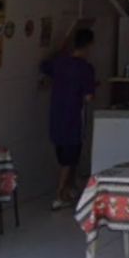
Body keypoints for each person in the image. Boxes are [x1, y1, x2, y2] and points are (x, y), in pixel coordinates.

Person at [39, 27, 97, 209]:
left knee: (63, 156)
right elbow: (88, 97)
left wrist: (60, 49)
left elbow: (44, 65)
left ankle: (69, 189)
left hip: (56, 116)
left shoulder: (59, 63)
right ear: (89, 45)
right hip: (73, 118)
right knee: (70, 158)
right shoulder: (85, 68)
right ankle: (60, 194)